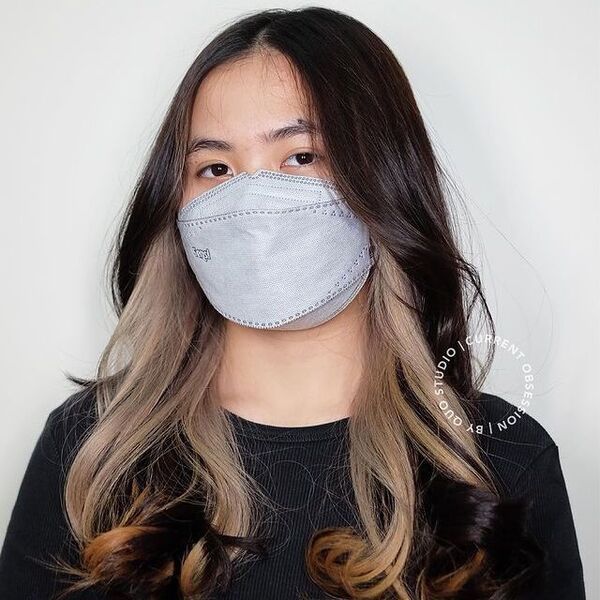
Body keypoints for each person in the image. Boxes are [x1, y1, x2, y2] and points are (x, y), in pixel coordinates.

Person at [0, 7, 586, 600]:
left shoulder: (502, 459)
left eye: (302, 157)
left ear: (383, 180)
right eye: (216, 167)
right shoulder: (92, 452)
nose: (253, 201)